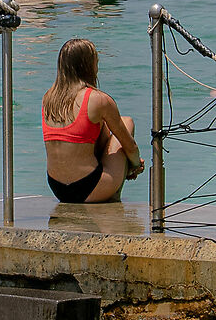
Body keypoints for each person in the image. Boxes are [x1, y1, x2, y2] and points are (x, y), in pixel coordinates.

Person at [40, 37, 143, 204]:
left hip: (57, 188)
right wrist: (135, 165)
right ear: (89, 65)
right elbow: (131, 147)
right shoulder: (98, 99)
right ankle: (113, 195)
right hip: (91, 186)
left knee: (96, 126)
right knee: (126, 121)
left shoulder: (48, 98)